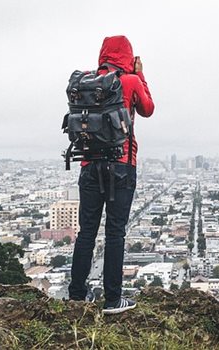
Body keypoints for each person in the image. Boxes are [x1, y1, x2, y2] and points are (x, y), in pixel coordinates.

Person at [68, 35, 155, 314]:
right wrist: (140, 75)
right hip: (121, 165)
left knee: (87, 233)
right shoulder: (128, 81)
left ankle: (77, 295)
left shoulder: (88, 83)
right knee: (115, 233)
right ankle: (113, 300)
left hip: (88, 166)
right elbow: (148, 109)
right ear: (128, 57)